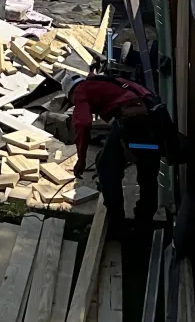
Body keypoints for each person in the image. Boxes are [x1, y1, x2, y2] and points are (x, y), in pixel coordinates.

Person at [70, 72, 180, 238]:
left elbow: (83, 124)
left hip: (133, 121)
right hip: (155, 118)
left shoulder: (80, 90)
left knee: (106, 166)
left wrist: (81, 159)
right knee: (147, 173)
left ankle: (118, 225)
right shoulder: (108, 81)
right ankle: (144, 225)